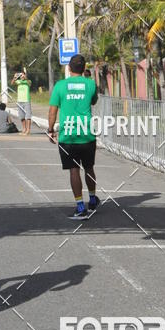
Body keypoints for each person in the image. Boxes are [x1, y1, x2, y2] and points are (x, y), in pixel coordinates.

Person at [47, 54, 100, 219]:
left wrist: (50, 129)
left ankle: (80, 206)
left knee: (74, 170)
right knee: (89, 167)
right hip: (87, 134)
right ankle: (92, 200)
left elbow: (53, 110)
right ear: (84, 69)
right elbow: (93, 101)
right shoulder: (90, 84)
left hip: (68, 136)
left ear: (69, 68)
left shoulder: (60, 86)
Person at [12, 70, 32, 135]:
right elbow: (12, 83)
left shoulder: (28, 81)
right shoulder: (18, 81)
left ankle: (28, 130)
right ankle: (24, 129)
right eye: (21, 75)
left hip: (26, 100)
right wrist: (15, 77)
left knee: (28, 116)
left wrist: (25, 77)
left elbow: (29, 83)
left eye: (23, 75)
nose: (22, 76)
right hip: (19, 101)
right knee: (21, 116)